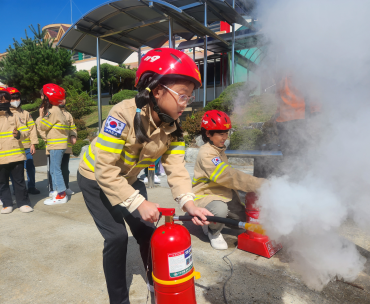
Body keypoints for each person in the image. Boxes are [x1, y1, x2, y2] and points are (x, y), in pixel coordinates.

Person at [77, 48, 213, 304]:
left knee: (147, 232)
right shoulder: (122, 114)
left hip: (127, 180)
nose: (187, 103)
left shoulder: (173, 129)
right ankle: (119, 300)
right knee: (116, 238)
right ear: (157, 90)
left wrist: (190, 203)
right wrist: (139, 202)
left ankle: (156, 283)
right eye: (182, 96)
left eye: (190, 97)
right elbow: (105, 170)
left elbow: (177, 169)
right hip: (95, 178)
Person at [192, 110, 266, 250]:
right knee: (220, 210)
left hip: (223, 194)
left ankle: (211, 221)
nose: (225, 137)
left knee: (243, 221)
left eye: (226, 133)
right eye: (221, 133)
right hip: (207, 196)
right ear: (208, 134)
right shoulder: (207, 153)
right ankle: (212, 231)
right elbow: (228, 176)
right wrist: (259, 183)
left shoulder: (218, 149)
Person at [0, 87, 33, 214]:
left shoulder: (15, 116)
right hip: (1, 157)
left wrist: (19, 134)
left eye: (6, 100)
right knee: (2, 182)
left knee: (19, 181)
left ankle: (23, 203)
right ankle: (7, 204)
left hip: (16, 155)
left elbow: (26, 130)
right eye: (0, 101)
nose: (3, 103)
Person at [37, 84, 70, 205]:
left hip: (56, 145)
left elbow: (43, 126)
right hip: (57, 145)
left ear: (47, 97)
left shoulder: (52, 111)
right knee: (53, 169)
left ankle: (61, 194)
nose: (41, 97)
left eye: (42, 95)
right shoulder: (58, 110)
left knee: (55, 170)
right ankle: (57, 192)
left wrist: (40, 116)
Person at [38, 98, 77, 197]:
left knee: (63, 169)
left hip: (63, 146)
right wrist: (46, 138)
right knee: (54, 169)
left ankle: (63, 189)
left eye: (63, 99)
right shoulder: (51, 112)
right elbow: (42, 129)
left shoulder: (67, 114)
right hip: (53, 144)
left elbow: (72, 128)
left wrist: (73, 135)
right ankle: (54, 190)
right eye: (60, 99)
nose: (62, 101)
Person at [7, 87, 41, 194]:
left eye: (17, 98)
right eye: (12, 98)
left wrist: (33, 144)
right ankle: (18, 189)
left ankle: (31, 186)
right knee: (15, 171)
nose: (15, 100)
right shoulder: (5, 114)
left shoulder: (26, 113)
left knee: (30, 167)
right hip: (13, 147)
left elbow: (32, 129)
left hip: (26, 146)